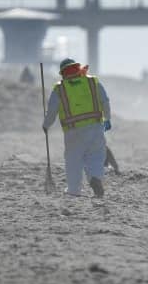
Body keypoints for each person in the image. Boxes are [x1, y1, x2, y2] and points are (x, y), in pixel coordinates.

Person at [42, 58, 112, 197]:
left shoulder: (59, 88)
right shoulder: (93, 81)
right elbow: (105, 100)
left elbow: (52, 111)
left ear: (63, 73)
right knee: (96, 156)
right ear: (77, 69)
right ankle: (95, 178)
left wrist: (46, 125)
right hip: (95, 127)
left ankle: (74, 190)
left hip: (73, 131)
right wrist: (107, 119)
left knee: (73, 160)